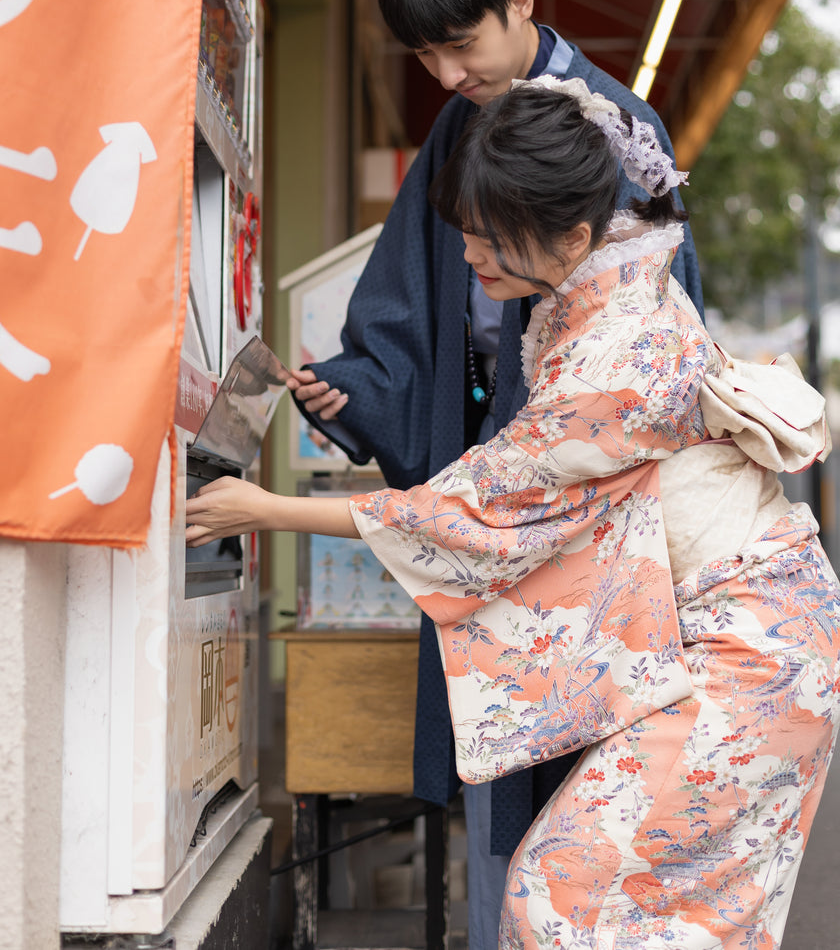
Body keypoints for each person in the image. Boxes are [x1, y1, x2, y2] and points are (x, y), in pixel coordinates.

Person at [187, 75, 840, 949]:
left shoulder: (615, 358)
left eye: (492, 242)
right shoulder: (610, 278)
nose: (470, 260)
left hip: (747, 654)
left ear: (573, 236)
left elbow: (470, 514)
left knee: (564, 898)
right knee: (664, 919)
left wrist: (265, 509)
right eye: (467, 235)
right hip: (750, 637)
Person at [284, 0, 706, 950]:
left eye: (458, 44)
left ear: (521, 4)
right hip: (497, 477)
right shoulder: (458, 129)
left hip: (581, 510)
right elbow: (405, 313)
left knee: (597, 798)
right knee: (506, 791)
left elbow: (651, 351)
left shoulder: (621, 131)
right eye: (422, 54)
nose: (444, 77)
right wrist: (360, 390)